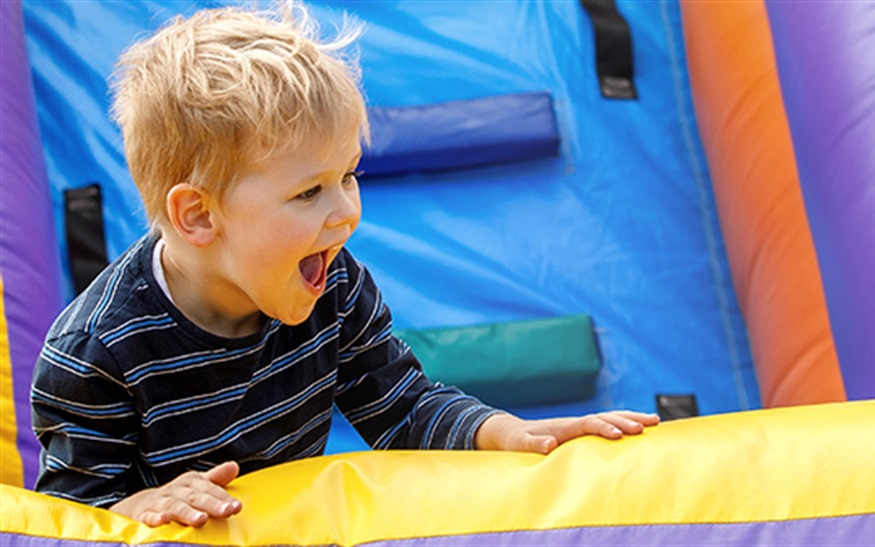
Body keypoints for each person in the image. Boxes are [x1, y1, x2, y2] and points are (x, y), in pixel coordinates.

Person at [31, 2, 658, 528]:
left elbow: (402, 406)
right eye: (310, 192)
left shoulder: (332, 285)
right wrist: (141, 506)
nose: (346, 213)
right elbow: (71, 520)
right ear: (198, 216)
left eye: (348, 176)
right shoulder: (96, 356)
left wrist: (504, 433)